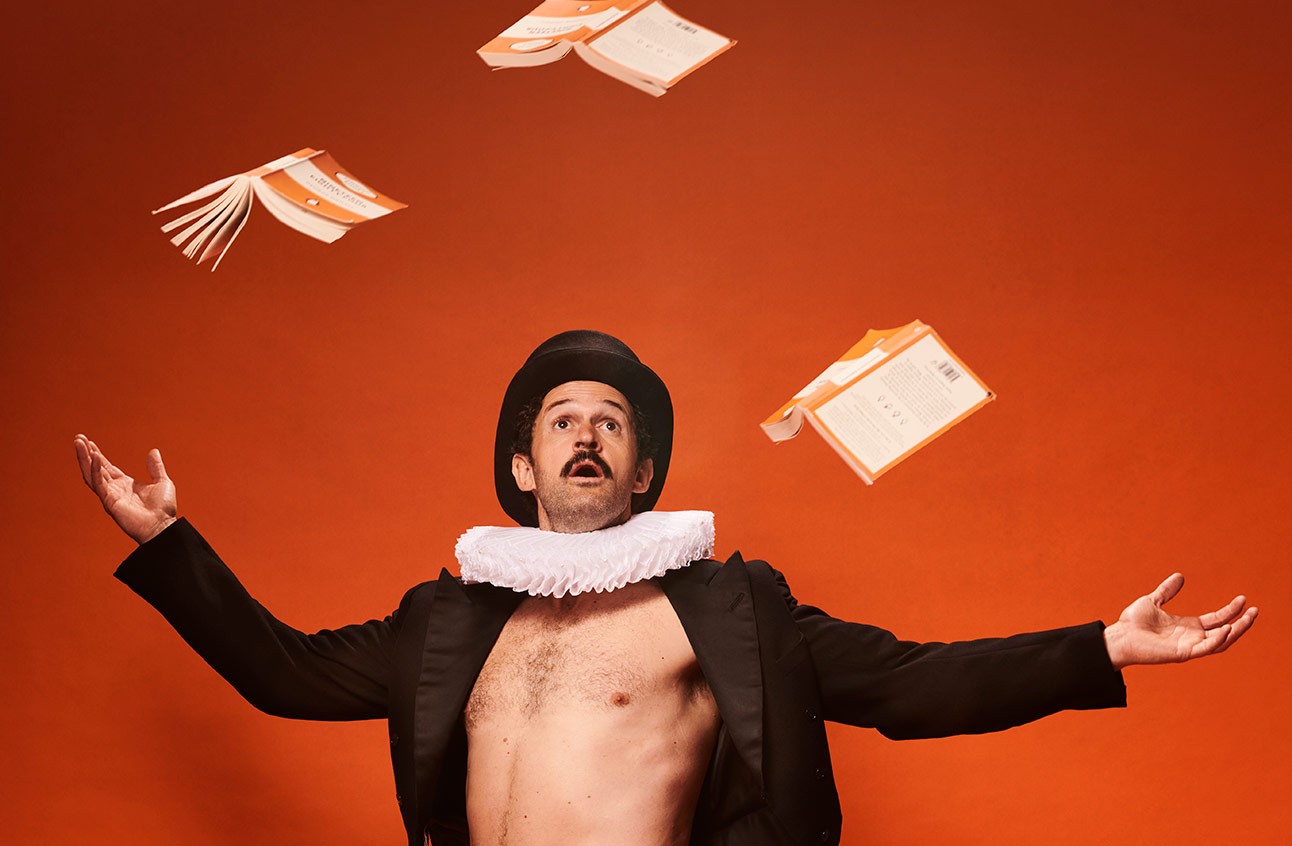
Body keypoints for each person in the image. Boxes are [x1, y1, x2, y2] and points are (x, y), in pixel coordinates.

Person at [75, 330, 1257, 846]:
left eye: (612, 424)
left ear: (643, 469)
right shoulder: (446, 623)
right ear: (520, 467)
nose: (586, 436)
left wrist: (1101, 645)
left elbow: (904, 684)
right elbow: (281, 674)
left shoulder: (724, 607)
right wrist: (172, 545)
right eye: (560, 421)